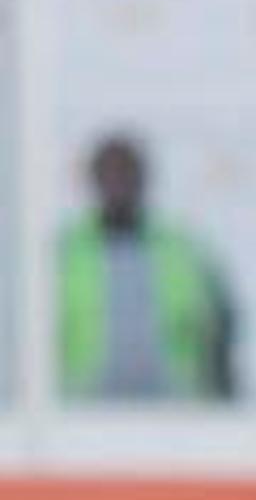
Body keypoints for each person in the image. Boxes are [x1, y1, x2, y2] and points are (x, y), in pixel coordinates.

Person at [57, 132, 239, 403]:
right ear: (94, 180)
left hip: (171, 412)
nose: (118, 184)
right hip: (82, 413)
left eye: (127, 173)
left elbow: (219, 323)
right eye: (109, 174)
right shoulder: (64, 253)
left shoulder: (181, 248)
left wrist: (222, 396)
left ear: (144, 178)